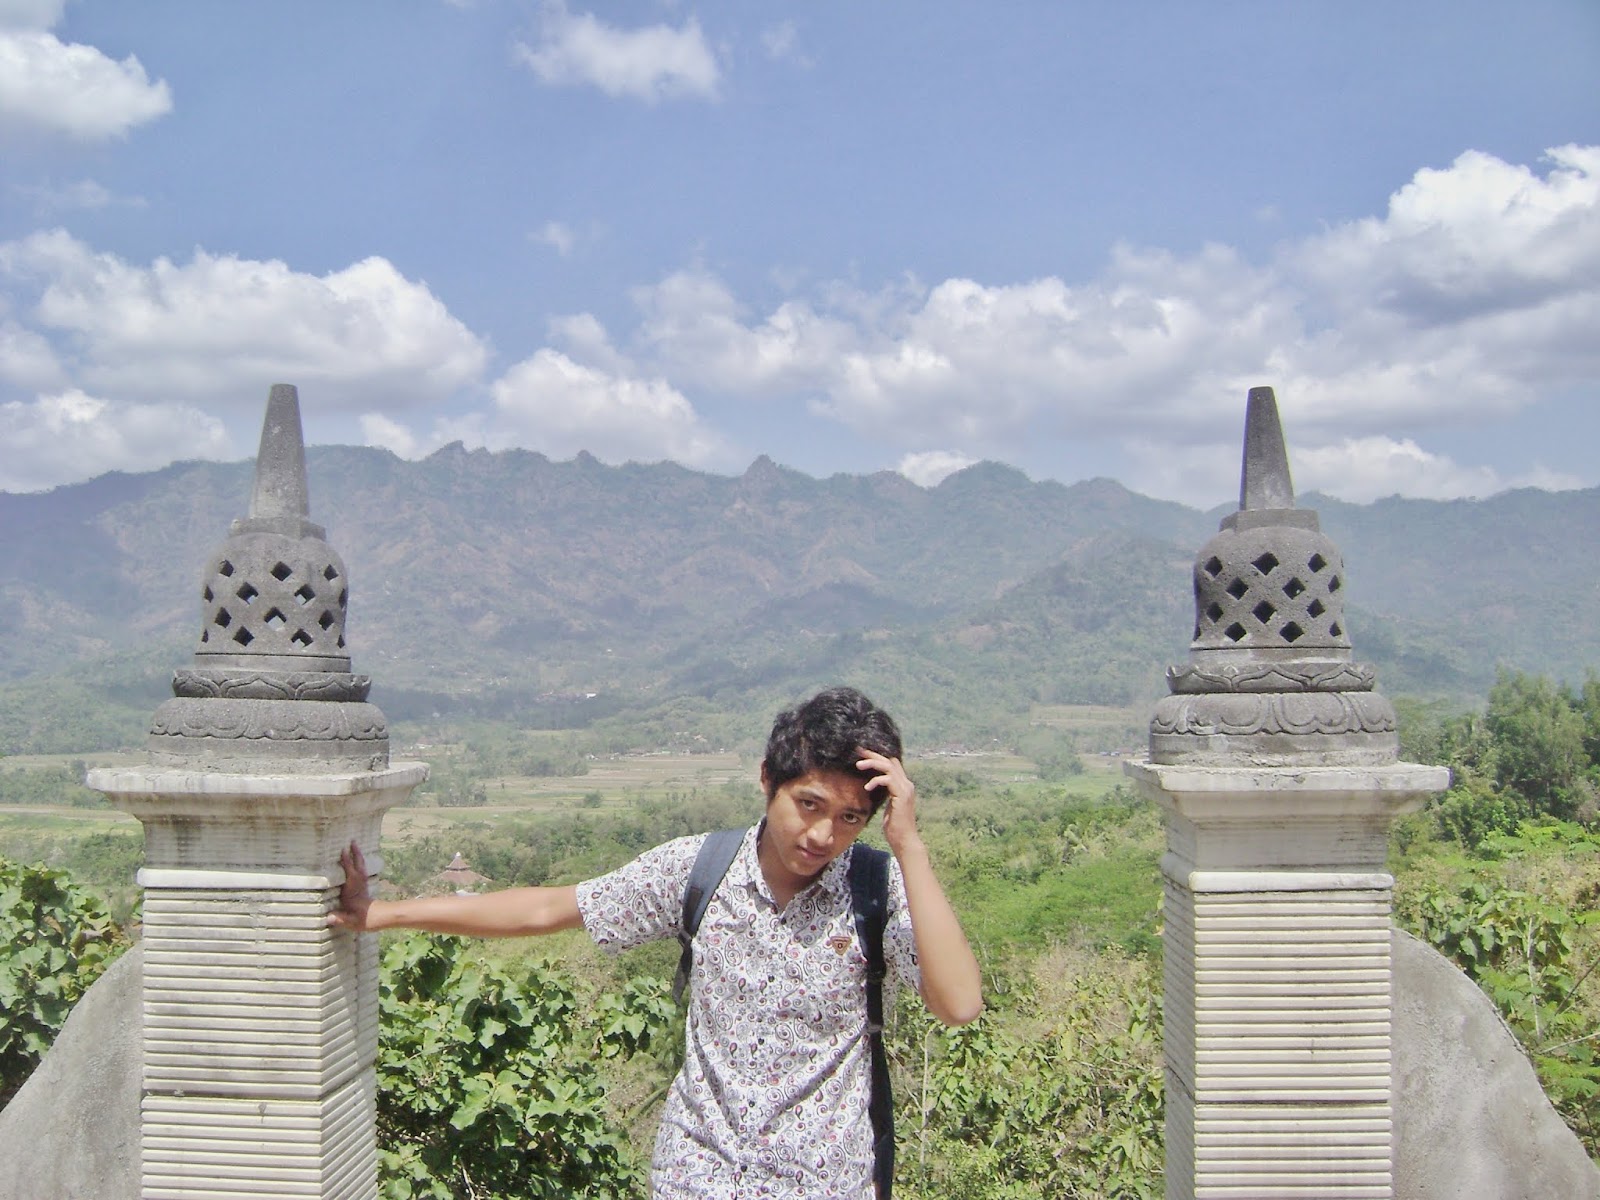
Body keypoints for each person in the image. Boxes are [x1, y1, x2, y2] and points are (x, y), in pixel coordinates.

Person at [329, 686, 983, 1199]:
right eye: (808, 804)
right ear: (767, 781)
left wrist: (909, 847)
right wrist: (382, 913)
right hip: (699, 1179)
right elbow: (550, 908)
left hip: (830, 1183)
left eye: (848, 818)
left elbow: (957, 1005)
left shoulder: (874, 886)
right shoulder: (700, 872)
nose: (821, 835)